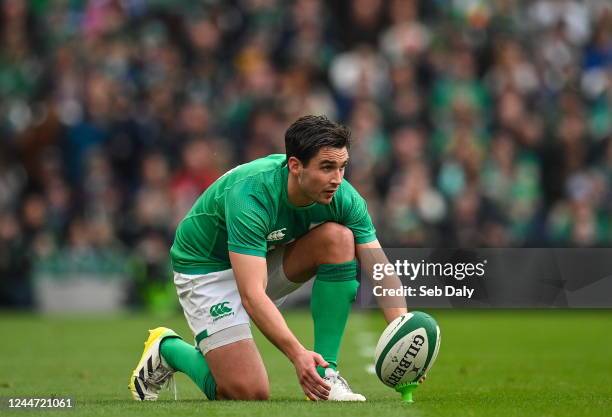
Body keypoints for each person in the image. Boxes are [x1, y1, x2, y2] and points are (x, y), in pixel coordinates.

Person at [128, 115, 407, 402]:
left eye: (342, 167)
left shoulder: (343, 197)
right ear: (295, 166)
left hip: (257, 261)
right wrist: (298, 354)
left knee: (339, 239)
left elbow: (380, 268)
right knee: (249, 392)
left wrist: (403, 334)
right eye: (326, 167)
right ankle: (168, 349)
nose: (337, 179)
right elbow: (251, 295)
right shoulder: (251, 195)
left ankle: (327, 376)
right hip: (205, 270)